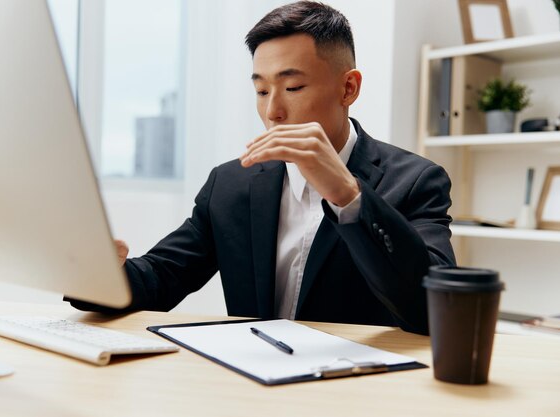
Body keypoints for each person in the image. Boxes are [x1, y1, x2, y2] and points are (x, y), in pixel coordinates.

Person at [69, 1, 456, 335]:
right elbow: (161, 278)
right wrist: (97, 271)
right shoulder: (231, 183)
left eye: (293, 88)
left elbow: (431, 309)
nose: (273, 112)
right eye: (261, 90)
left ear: (348, 88)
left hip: (354, 390)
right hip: (250, 387)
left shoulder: (417, 181)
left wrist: (348, 196)